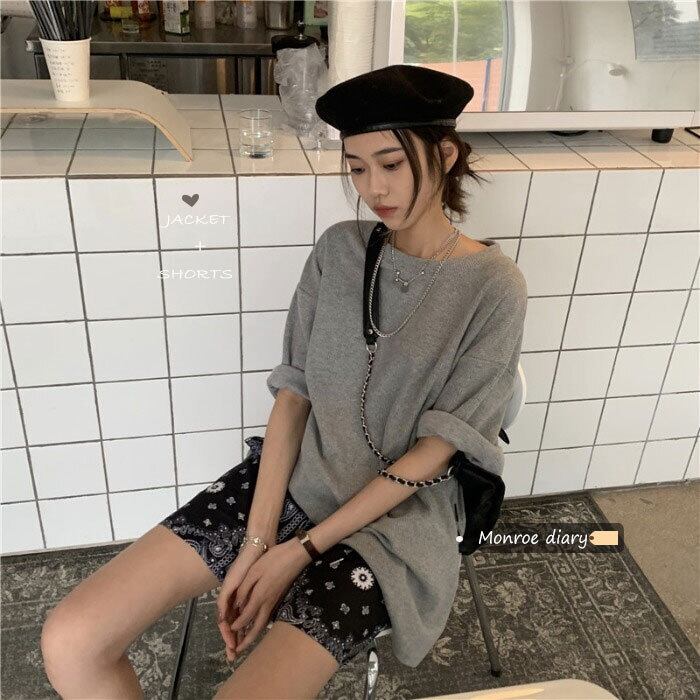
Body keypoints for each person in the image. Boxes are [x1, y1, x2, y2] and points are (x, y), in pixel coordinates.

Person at [40, 64, 528, 699]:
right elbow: (294, 396)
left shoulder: (493, 287)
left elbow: (438, 451)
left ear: (445, 155)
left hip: (397, 522)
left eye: (391, 164)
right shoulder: (339, 251)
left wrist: (298, 553)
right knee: (72, 638)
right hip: (298, 476)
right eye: (357, 168)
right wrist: (257, 540)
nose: (374, 188)